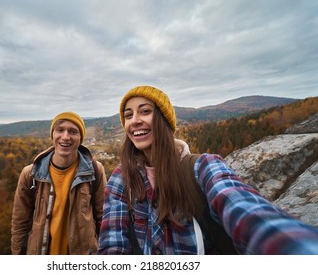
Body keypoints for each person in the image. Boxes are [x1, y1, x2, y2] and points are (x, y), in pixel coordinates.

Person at [97, 85, 318, 255]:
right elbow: (112, 245)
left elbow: (242, 206)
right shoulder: (121, 178)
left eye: (145, 111)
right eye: (128, 115)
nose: (135, 121)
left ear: (164, 120)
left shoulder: (202, 167)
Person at [11, 111, 107, 255]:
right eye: (60, 130)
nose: (65, 137)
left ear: (80, 138)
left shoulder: (95, 171)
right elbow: (19, 224)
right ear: (52, 135)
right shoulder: (30, 174)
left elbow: (104, 218)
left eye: (73, 131)